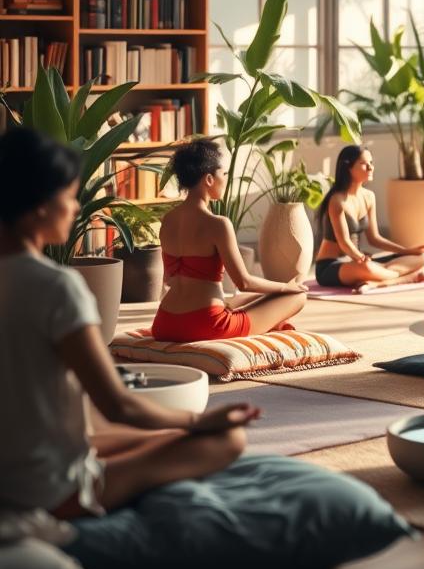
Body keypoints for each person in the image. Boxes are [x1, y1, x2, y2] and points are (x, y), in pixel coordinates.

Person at [0, 128, 257, 521]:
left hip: (23, 456)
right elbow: (117, 405)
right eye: (69, 197)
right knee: (225, 439)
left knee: (149, 434)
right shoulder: (57, 286)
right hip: (46, 488)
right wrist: (198, 420)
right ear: (38, 207)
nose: (74, 208)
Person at [153, 139, 307, 341]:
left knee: (241, 299)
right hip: (207, 325)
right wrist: (286, 287)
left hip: (165, 324)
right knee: (297, 296)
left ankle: (268, 317)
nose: (225, 179)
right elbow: (244, 282)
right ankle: (273, 318)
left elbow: (168, 279)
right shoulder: (217, 224)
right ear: (208, 179)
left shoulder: (168, 220)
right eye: (223, 174)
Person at [314, 144, 424, 290]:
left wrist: (408, 251)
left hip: (358, 260)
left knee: (423, 257)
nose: (370, 167)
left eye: (371, 163)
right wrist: (360, 258)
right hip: (332, 265)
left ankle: (378, 279)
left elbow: (374, 238)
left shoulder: (369, 197)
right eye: (363, 164)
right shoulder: (337, 200)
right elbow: (343, 241)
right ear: (348, 168)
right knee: (368, 268)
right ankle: (404, 278)